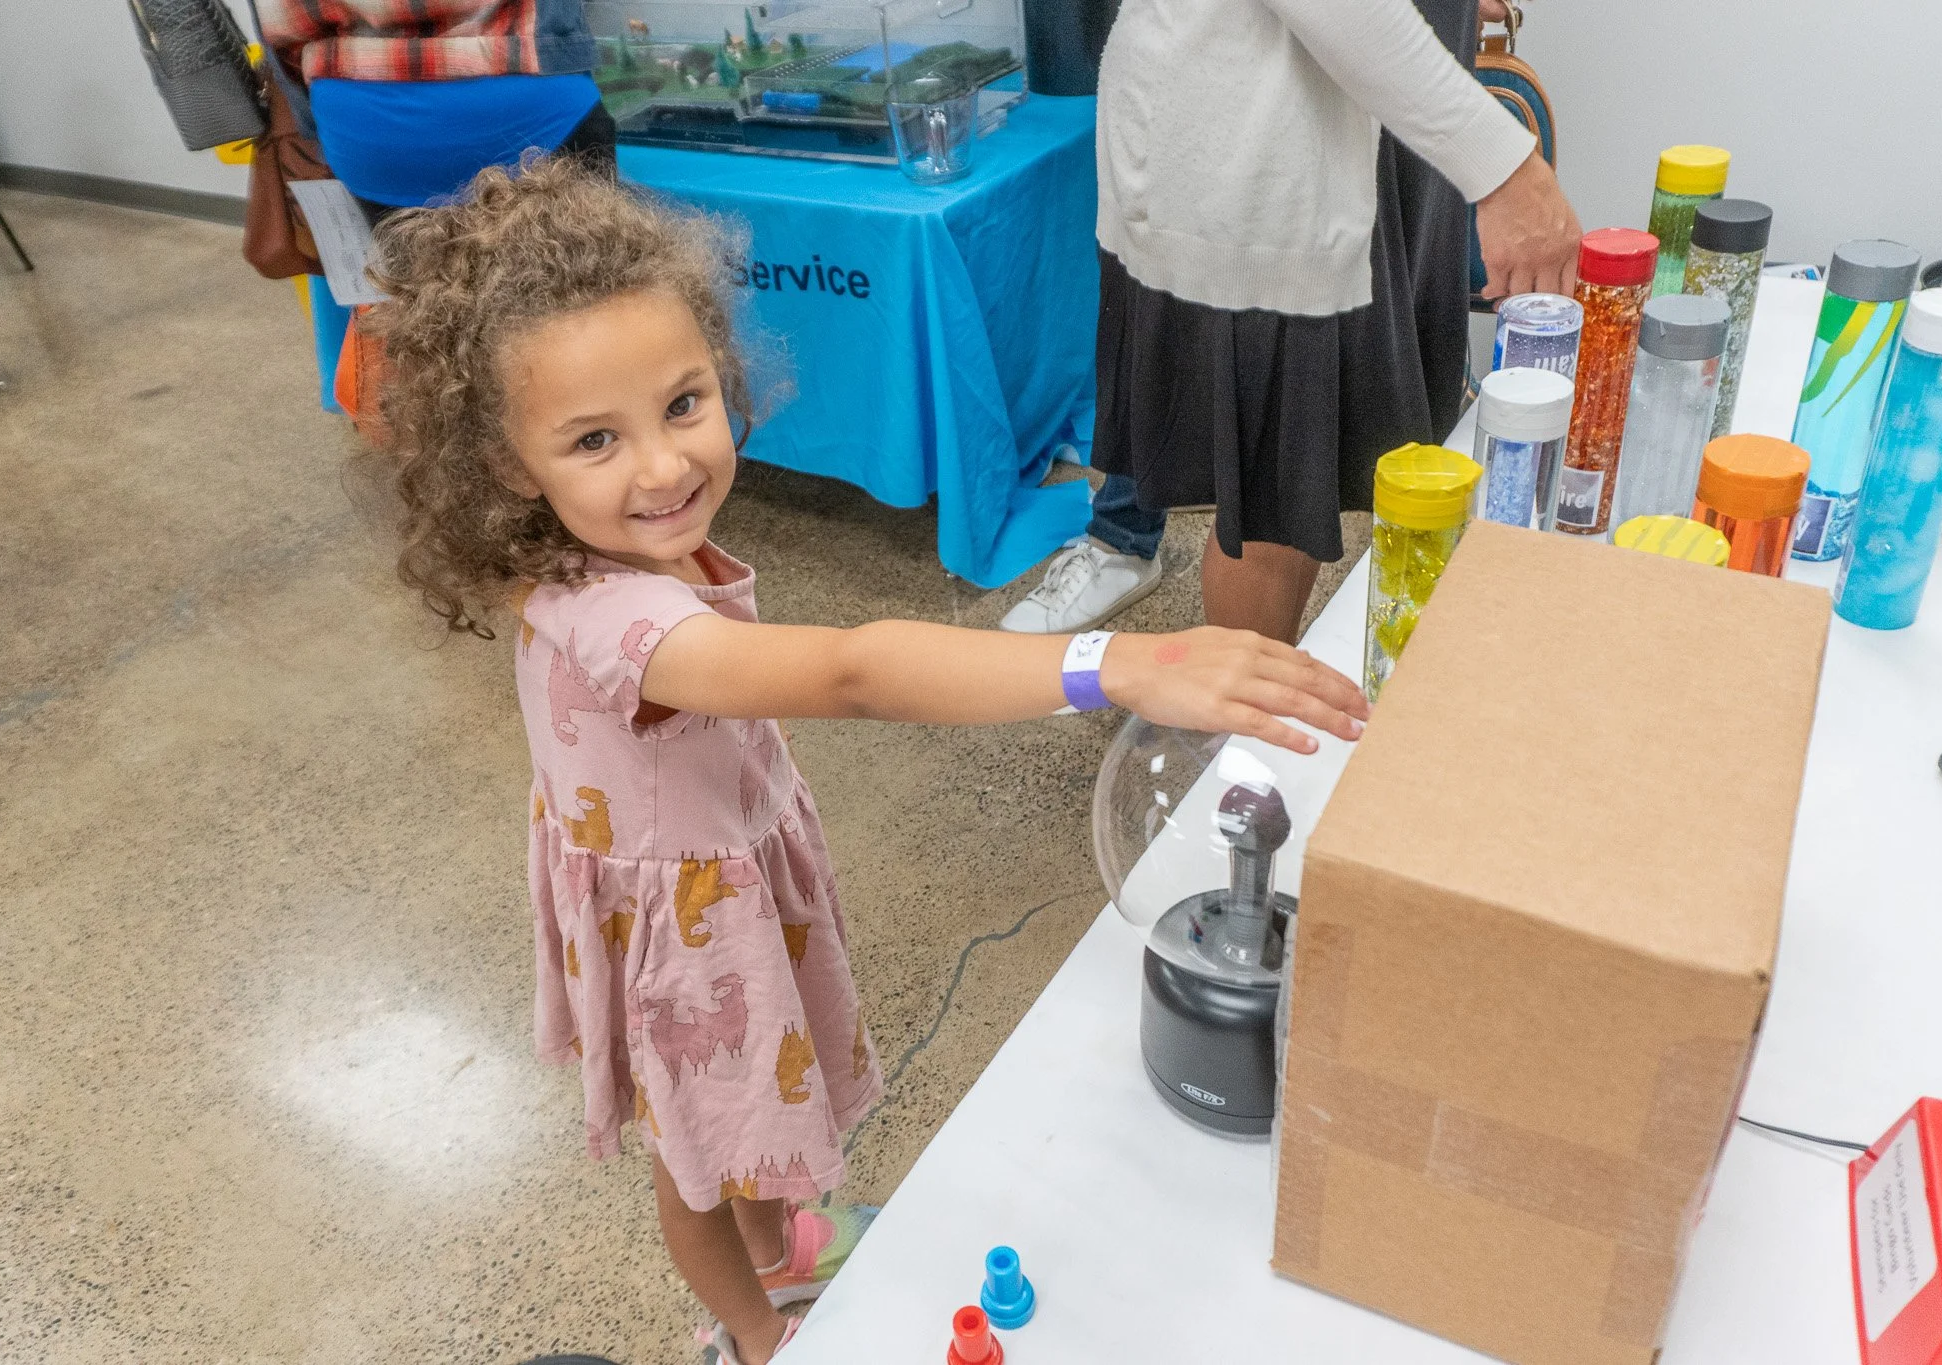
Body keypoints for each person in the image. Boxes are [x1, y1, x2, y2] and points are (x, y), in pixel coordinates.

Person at [365, 159, 1371, 1365]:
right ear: (508, 466)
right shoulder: (612, 622)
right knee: (693, 1168)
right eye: (595, 439)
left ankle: (786, 1242)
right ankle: (747, 1333)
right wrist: (1115, 664)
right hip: (680, 939)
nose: (664, 468)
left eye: (684, 404)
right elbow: (851, 668)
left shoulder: (634, 542)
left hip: (722, 858)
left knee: (747, 1125)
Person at [1000, 0, 1580, 638]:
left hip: (1374, 121)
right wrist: (1504, 167)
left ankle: (1248, 708)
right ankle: (1237, 724)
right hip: (1269, 140)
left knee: (1310, 477)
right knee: (1275, 498)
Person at [254, 0, 616, 224]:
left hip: (368, 127)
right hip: (531, 106)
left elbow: (283, 25)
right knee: (572, 309)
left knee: (429, 321)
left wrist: (312, 123)